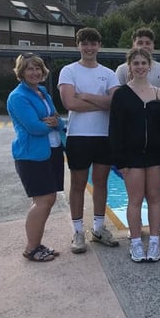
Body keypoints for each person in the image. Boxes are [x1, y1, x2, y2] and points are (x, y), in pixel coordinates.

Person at [109, 47, 160, 262]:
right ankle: (136, 243)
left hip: (155, 157)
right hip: (132, 156)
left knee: (156, 199)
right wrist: (121, 160)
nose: (139, 67)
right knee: (135, 200)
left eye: (143, 63)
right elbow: (116, 129)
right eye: (135, 63)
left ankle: (155, 242)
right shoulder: (121, 94)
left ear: (150, 66)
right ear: (130, 66)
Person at [58, 27, 120, 254]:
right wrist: (102, 101)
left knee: (102, 184)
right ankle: (77, 231)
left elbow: (116, 102)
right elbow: (70, 104)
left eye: (93, 43)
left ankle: (98, 228)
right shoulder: (69, 71)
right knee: (78, 185)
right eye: (84, 43)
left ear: (99, 46)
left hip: (104, 136)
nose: (89, 47)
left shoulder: (109, 73)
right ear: (78, 46)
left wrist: (85, 95)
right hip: (78, 136)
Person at [7, 53, 65, 262]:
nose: (35, 72)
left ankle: (37, 244)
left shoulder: (42, 92)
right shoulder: (18, 96)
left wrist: (53, 122)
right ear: (21, 72)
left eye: (38, 68)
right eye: (30, 69)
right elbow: (33, 127)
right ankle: (31, 248)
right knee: (43, 200)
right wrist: (50, 122)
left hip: (52, 151)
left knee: (46, 199)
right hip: (32, 155)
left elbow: (59, 120)